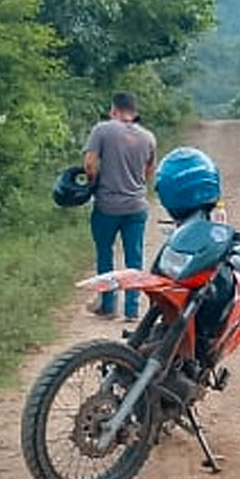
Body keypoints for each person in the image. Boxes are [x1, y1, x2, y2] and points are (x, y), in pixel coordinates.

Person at [84, 91, 157, 321]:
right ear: (134, 112)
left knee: (105, 254)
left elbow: (89, 164)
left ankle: (108, 305)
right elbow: (149, 171)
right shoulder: (148, 137)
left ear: (114, 110)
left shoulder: (102, 130)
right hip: (136, 205)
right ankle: (132, 310)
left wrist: (93, 182)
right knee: (134, 257)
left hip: (107, 205)